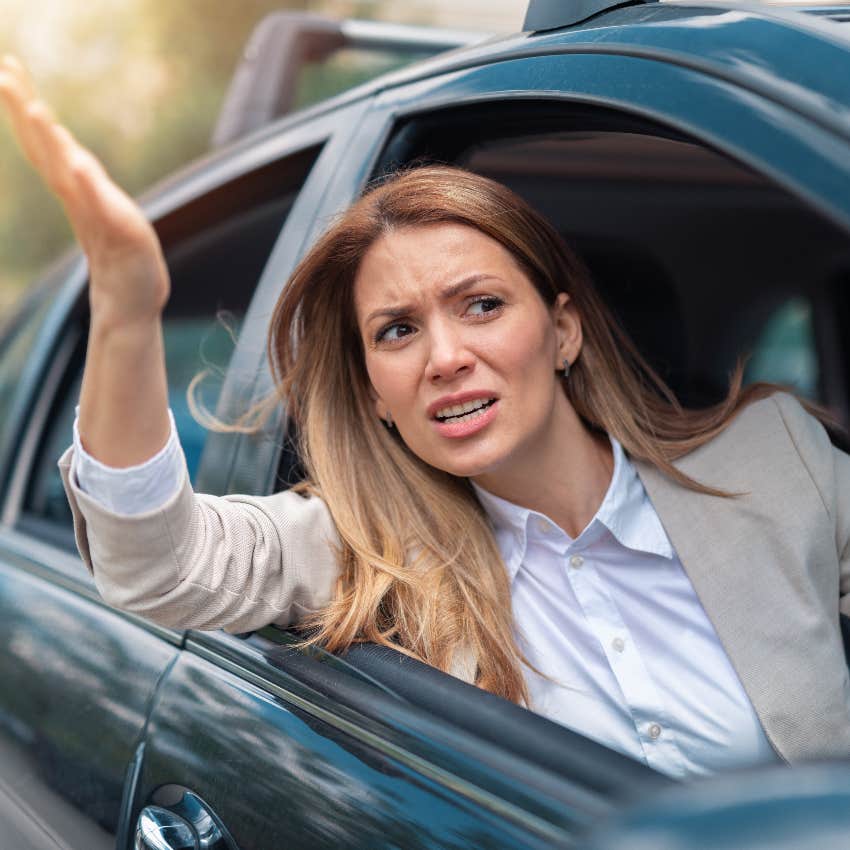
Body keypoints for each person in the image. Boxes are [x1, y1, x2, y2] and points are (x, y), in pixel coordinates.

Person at [2, 55, 849, 780]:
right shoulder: (358, 546)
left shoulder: (775, 462)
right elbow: (156, 563)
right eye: (398, 331)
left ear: (562, 330)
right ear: (374, 390)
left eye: (480, 305)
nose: (443, 357)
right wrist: (127, 306)